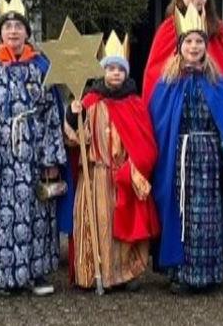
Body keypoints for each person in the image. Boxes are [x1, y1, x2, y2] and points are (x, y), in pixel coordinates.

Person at [0, 0, 67, 296]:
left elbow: (50, 114)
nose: (13, 31)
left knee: (36, 212)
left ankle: (36, 273)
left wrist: (50, 157)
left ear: (27, 32)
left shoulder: (41, 67)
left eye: (18, 26)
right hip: (0, 153)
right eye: (7, 27)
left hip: (33, 153)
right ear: (0, 33)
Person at [148, 5, 223, 293]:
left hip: (208, 158)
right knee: (181, 212)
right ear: (180, 46)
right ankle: (181, 273)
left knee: (208, 217)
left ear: (205, 47)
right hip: (178, 157)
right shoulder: (167, 82)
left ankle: (208, 273)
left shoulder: (216, 82)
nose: (194, 47)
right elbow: (159, 123)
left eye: (198, 42)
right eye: (189, 42)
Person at [64, 32, 158, 291]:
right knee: (94, 225)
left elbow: (144, 142)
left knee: (121, 229)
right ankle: (91, 274)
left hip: (122, 177)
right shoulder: (90, 101)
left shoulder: (135, 103)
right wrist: (73, 116)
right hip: (94, 177)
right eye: (110, 68)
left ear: (126, 73)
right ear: (102, 71)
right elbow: (74, 139)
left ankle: (124, 274)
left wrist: (134, 167)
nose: (115, 73)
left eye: (120, 69)